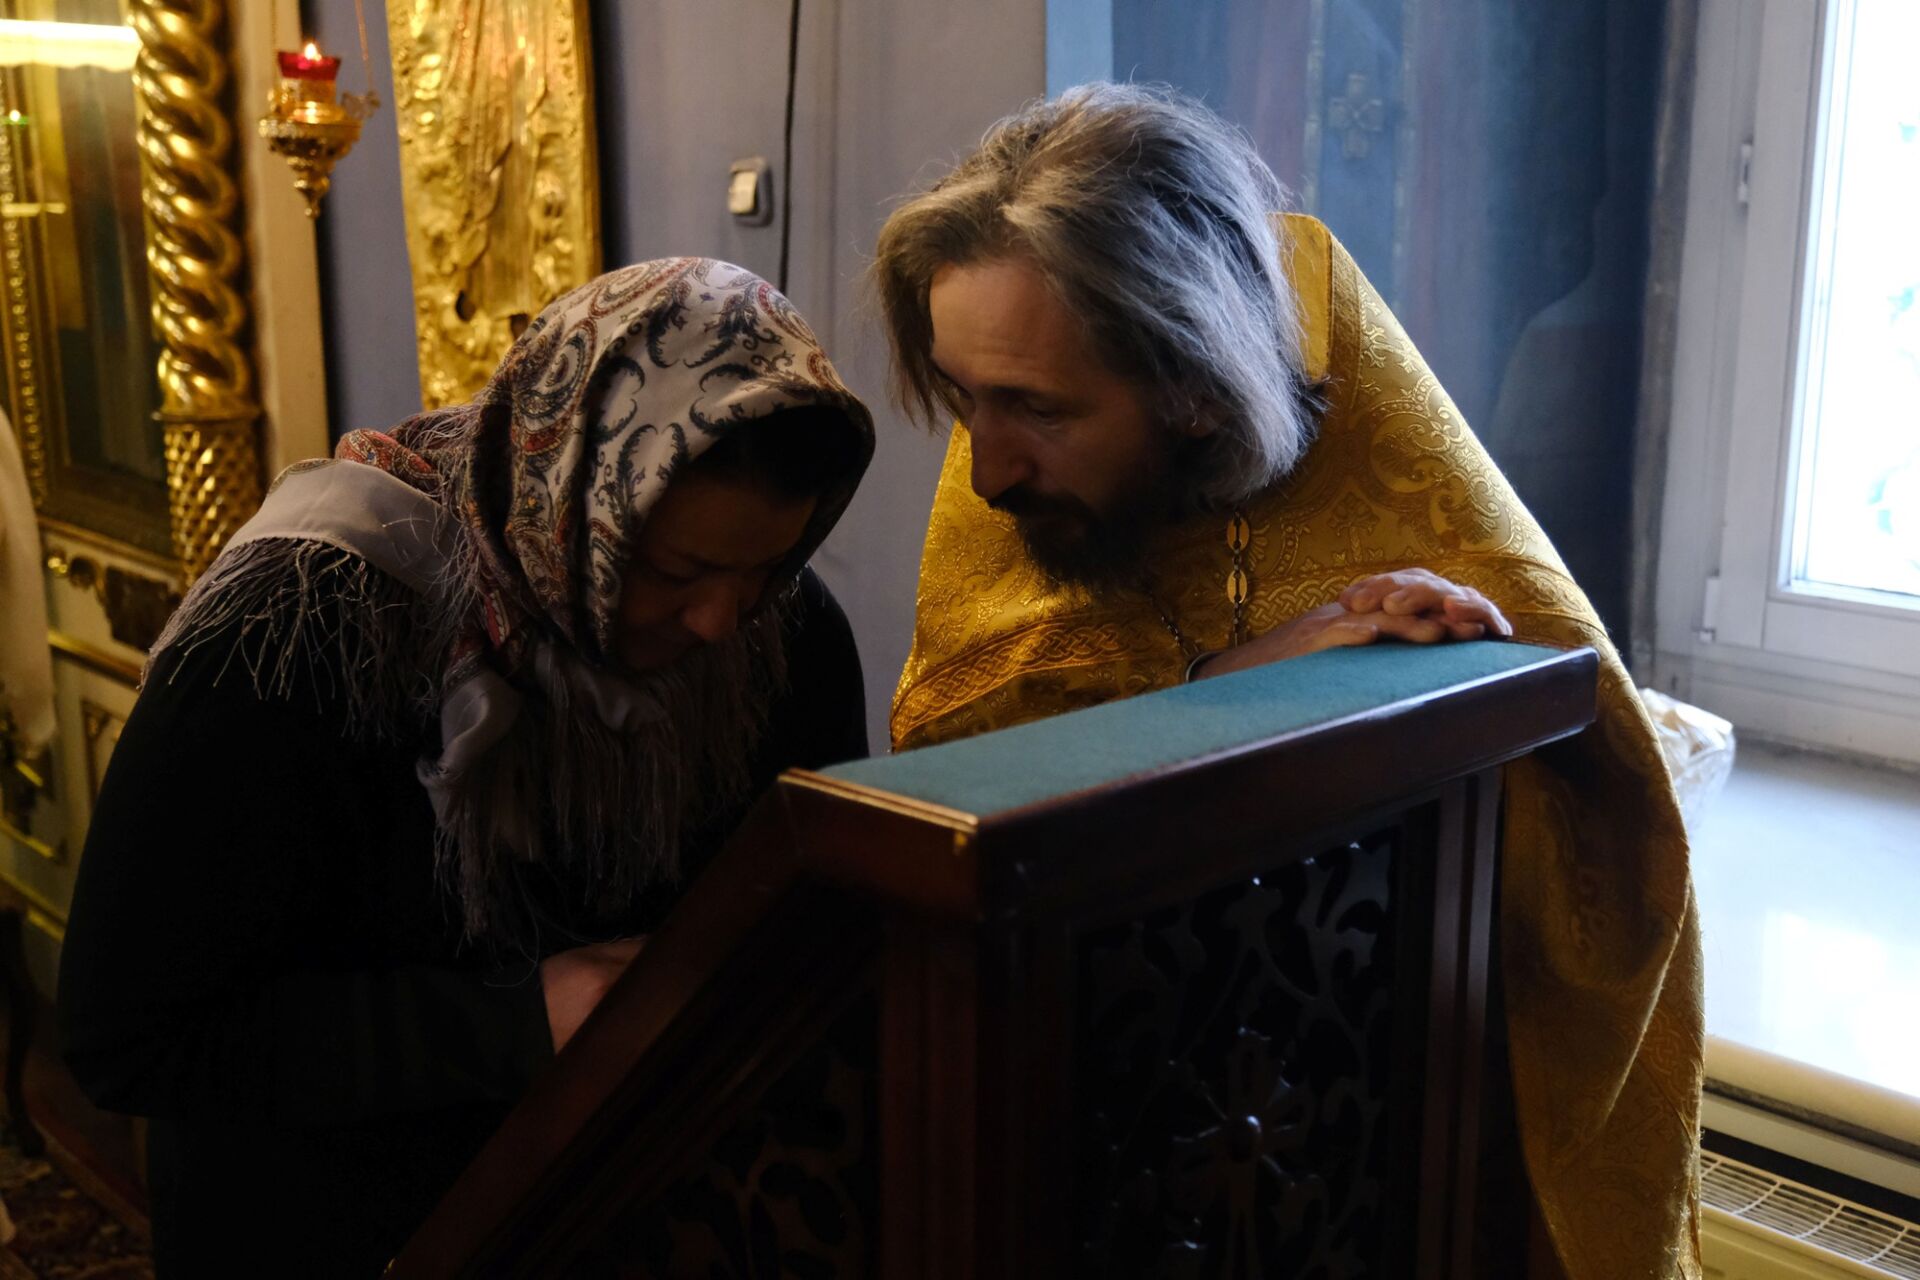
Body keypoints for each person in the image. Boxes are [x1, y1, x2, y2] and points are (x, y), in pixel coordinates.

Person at [875, 84, 1701, 1280]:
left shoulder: (1350, 403)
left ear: (1196, 386)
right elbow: (965, 752)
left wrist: (1430, 674)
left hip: (1361, 1128)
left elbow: (1590, 777)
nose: (985, 472)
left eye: (1035, 410)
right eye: (962, 399)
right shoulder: (1022, 397)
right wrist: (1243, 679)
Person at [56, 259, 875, 1276]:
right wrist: (514, 1020)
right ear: (572, 500)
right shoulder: (296, 631)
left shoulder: (777, 631)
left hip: (623, 1206)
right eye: (674, 570)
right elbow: (129, 1033)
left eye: (763, 569)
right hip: (330, 1227)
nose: (718, 620)